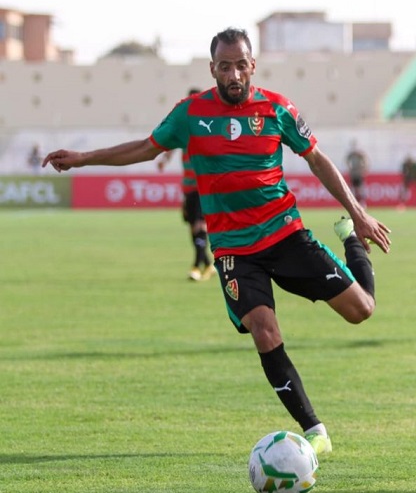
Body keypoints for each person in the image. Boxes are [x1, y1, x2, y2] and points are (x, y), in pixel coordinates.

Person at [42, 27, 392, 456]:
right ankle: (315, 431)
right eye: (224, 67)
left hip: (286, 235)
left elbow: (316, 158)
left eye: (240, 65)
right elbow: (145, 148)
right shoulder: (190, 113)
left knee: (362, 311)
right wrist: (84, 158)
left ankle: (349, 241)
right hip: (233, 250)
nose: (233, 74)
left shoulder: (277, 109)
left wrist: (358, 216)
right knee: (264, 330)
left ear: (252, 66)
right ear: (213, 69)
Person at [156, 88, 216, 281]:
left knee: (200, 224)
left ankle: (196, 266)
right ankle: (207, 264)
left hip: (204, 185)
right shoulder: (185, 125)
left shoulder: (208, 124)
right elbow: (171, 145)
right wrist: (164, 160)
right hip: (189, 185)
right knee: (194, 226)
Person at [345, 140, 369, 206]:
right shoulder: (351, 154)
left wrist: (364, 169)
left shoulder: (360, 154)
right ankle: (354, 203)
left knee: (360, 188)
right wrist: (349, 168)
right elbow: (347, 161)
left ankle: (362, 202)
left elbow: (365, 161)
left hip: (359, 173)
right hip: (353, 174)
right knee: (353, 188)